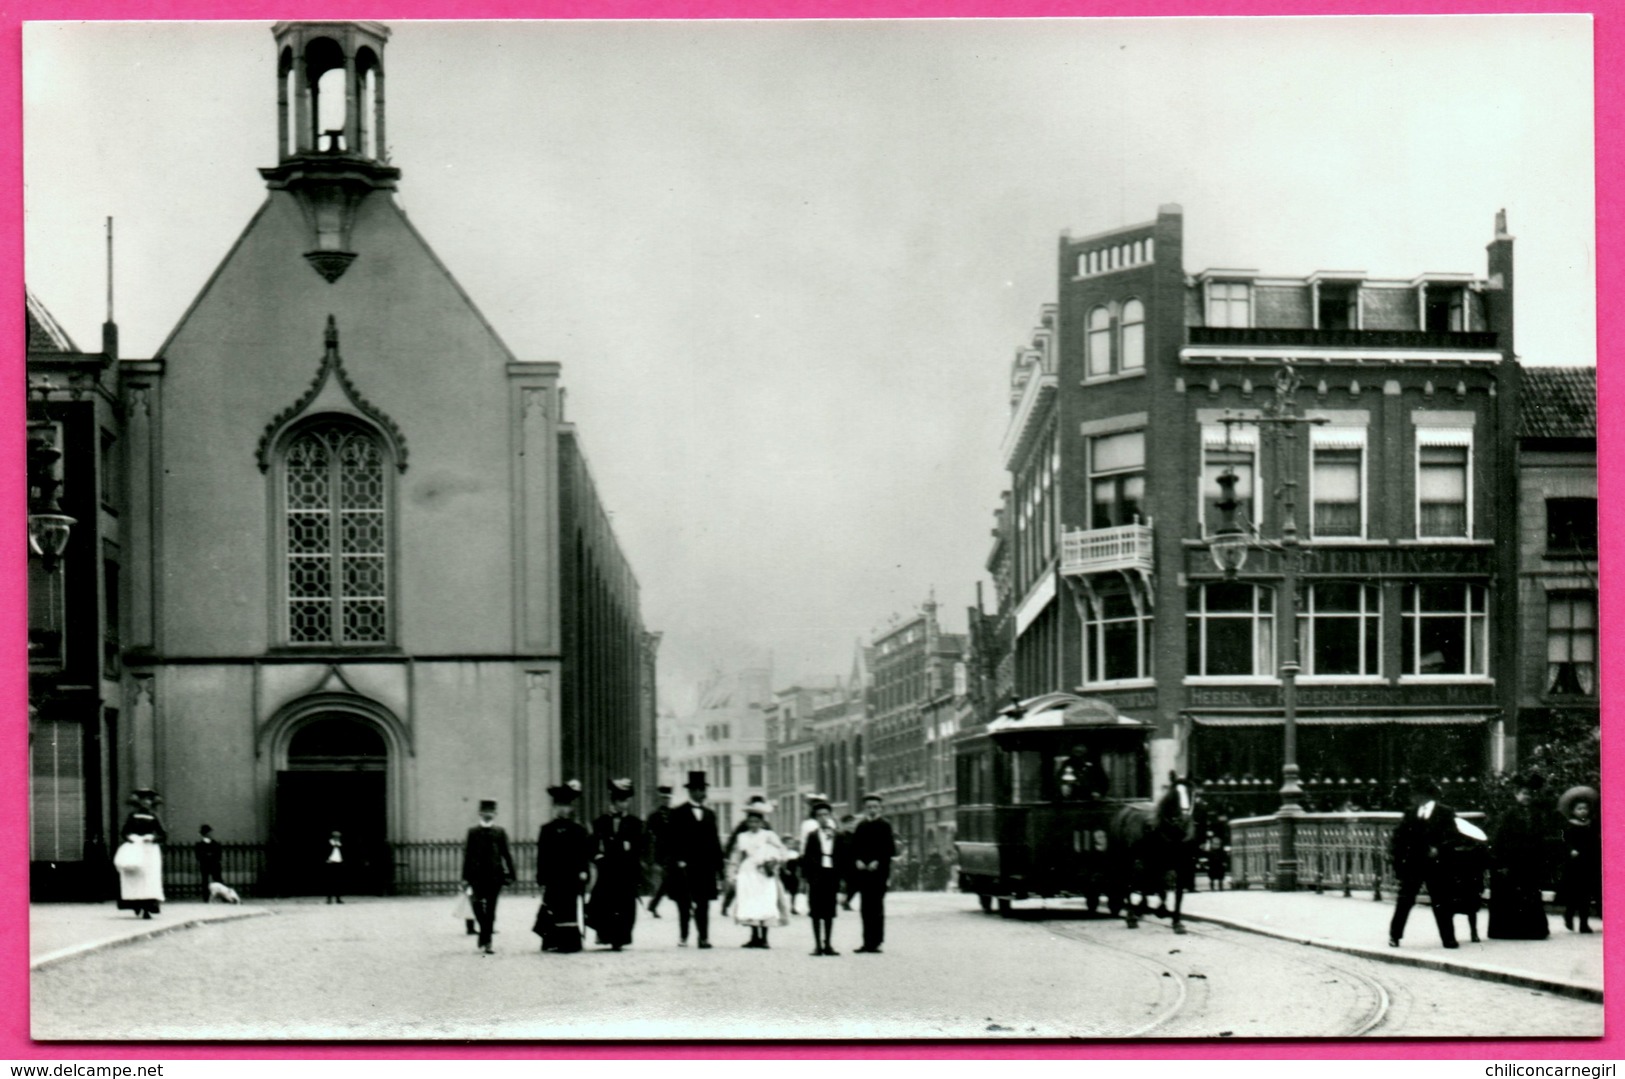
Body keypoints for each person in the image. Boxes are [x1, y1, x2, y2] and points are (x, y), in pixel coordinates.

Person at [1388, 777, 1460, 949]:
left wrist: (1439, 848)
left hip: (1436, 865)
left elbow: (1453, 837)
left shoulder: (1445, 812)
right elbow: (1398, 838)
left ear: (1423, 795)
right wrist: (1398, 859)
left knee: (1441, 901)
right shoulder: (1411, 812)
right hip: (1414, 863)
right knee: (1405, 900)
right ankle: (1395, 935)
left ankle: (1448, 938)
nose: (1412, 798)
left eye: (1414, 793)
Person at [1487, 772, 1552, 940]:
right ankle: (1509, 931)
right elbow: (1498, 839)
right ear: (1516, 795)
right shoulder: (1508, 815)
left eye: (1529, 794)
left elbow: (1541, 837)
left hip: (1530, 861)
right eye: (1523, 794)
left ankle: (1533, 931)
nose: (1527, 797)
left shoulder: (1537, 814)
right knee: (1511, 896)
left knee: (1529, 894)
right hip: (1512, 860)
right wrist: (1500, 863)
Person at [665, 770, 724, 949]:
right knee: (684, 903)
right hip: (685, 866)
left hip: (705, 866)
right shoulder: (677, 813)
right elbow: (672, 840)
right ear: (691, 792)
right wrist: (677, 860)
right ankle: (684, 935)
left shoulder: (709, 814)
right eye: (698, 790)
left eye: (703, 789)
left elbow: (715, 841)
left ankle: (703, 937)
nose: (702, 793)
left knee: (703, 903)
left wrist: (719, 867)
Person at [534, 780, 593, 953]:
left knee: (569, 907)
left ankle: (570, 942)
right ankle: (551, 940)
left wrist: (584, 871)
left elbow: (584, 854)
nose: (562, 809)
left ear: (570, 808)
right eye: (559, 805)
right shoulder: (547, 829)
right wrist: (541, 875)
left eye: (566, 805)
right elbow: (542, 854)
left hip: (571, 876)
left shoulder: (578, 830)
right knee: (552, 906)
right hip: (553, 876)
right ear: (554, 807)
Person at [587, 778, 645, 951]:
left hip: (626, 871)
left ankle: (621, 937)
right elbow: (592, 844)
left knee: (625, 905)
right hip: (607, 871)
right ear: (613, 802)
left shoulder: (635, 823)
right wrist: (597, 857)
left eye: (626, 800)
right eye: (620, 801)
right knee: (605, 904)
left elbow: (641, 846)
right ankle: (605, 934)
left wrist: (633, 853)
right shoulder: (601, 822)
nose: (624, 804)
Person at [729, 802, 789, 949]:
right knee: (750, 902)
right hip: (748, 871)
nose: (753, 824)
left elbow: (782, 849)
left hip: (764, 872)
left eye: (756, 821)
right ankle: (754, 935)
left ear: (762, 822)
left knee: (765, 902)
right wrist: (732, 872)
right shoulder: (742, 836)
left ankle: (765, 937)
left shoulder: (768, 835)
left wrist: (775, 861)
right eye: (750, 821)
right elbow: (736, 855)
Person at [460, 798, 517, 955]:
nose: (488, 815)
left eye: (491, 812)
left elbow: (506, 854)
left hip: (494, 876)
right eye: (485, 812)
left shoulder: (500, 832)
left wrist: (512, 874)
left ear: (495, 814)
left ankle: (487, 942)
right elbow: (468, 856)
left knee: (491, 909)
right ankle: (485, 934)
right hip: (476, 876)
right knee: (477, 906)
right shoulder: (472, 832)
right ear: (480, 813)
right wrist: (464, 878)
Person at [850, 793, 896, 954]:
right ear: (865, 808)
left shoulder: (885, 825)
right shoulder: (861, 826)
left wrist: (878, 860)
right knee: (865, 907)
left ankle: (876, 941)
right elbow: (854, 847)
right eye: (869, 807)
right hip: (864, 872)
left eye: (875, 807)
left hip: (878, 872)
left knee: (876, 906)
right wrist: (858, 860)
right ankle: (866, 941)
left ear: (880, 808)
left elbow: (890, 849)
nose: (872, 810)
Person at [801, 800, 847, 956]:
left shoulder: (837, 835)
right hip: (816, 875)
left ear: (831, 816)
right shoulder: (812, 836)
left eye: (826, 814)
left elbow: (842, 856)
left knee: (829, 910)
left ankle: (828, 943)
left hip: (831, 875)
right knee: (815, 910)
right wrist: (807, 877)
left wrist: (841, 877)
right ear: (815, 818)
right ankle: (817, 945)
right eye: (819, 815)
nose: (823, 818)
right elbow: (807, 857)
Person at [114, 788, 166, 919]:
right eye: (143, 800)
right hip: (135, 847)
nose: (146, 803)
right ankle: (135, 904)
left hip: (149, 850)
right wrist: (130, 837)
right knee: (134, 877)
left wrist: (153, 838)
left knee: (148, 879)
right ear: (139, 802)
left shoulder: (154, 816)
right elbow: (124, 832)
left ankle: (148, 908)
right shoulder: (132, 816)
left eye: (148, 800)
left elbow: (163, 835)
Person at [1558, 792, 1599, 934]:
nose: (1583, 811)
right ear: (1573, 811)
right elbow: (1564, 841)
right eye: (1579, 809)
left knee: (1586, 894)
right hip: (1574, 864)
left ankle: (1584, 923)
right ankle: (1569, 915)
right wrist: (1570, 850)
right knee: (1574, 893)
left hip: (1588, 862)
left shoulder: (1591, 824)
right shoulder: (1569, 826)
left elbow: (1595, 841)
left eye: (1585, 808)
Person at [643, 785, 676, 918]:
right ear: (659, 799)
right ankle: (688, 906)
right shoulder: (654, 816)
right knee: (669, 880)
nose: (665, 801)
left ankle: (653, 905)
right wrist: (648, 856)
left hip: (673, 852)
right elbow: (646, 835)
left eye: (667, 798)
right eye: (663, 798)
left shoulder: (675, 814)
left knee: (668, 881)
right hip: (660, 853)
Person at [195, 824, 224, 893]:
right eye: (209, 832)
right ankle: (206, 896)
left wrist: (209, 856)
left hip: (214, 864)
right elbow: (198, 856)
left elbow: (219, 855)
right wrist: (209, 856)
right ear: (206, 833)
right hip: (205, 864)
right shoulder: (199, 845)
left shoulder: (215, 844)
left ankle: (222, 895)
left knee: (218, 880)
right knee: (205, 881)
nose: (211, 834)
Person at [838, 814, 859, 910]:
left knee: (855, 884)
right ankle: (844, 901)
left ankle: (846, 901)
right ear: (844, 825)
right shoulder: (840, 836)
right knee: (844, 884)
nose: (851, 825)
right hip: (843, 864)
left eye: (852, 823)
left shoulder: (857, 836)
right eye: (848, 823)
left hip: (854, 863)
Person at [778, 834, 803, 915]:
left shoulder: (794, 853)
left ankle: (793, 906)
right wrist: (785, 870)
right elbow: (782, 862)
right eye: (788, 842)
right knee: (782, 890)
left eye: (791, 843)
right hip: (784, 873)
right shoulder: (781, 851)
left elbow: (798, 864)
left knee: (794, 891)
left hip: (793, 873)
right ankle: (780, 908)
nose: (790, 844)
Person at [323, 830, 346, 904]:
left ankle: (338, 898)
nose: (338, 838)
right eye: (336, 837)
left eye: (338, 837)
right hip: (331, 863)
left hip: (338, 863)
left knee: (338, 882)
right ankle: (329, 898)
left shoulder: (340, 844)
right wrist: (326, 860)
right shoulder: (328, 843)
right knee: (330, 881)